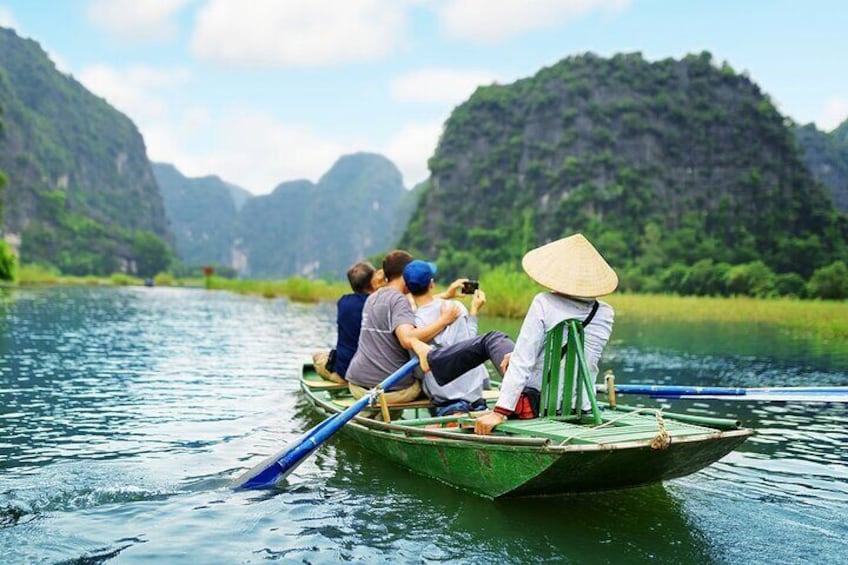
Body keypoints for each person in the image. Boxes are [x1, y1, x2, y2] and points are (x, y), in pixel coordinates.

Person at [474, 233, 616, 435]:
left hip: (541, 406)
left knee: (514, 360)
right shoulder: (606, 312)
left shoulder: (544, 302)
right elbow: (580, 357)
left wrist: (500, 411)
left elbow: (523, 361)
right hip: (582, 405)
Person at [345, 250, 464, 404]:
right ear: (405, 274)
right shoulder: (399, 301)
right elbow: (407, 339)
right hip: (388, 389)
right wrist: (444, 321)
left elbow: (408, 305)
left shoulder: (374, 296)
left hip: (356, 383)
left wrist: (446, 295)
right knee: (432, 384)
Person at [403, 260, 491, 416]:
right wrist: (474, 311)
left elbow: (418, 371)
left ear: (407, 287)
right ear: (431, 284)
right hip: (473, 394)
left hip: (444, 397)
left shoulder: (410, 323)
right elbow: (471, 344)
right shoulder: (455, 307)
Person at [313, 261, 385, 384]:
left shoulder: (343, 302)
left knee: (317, 356)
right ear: (373, 282)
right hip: (374, 373)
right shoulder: (381, 304)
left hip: (344, 371)